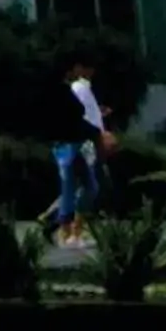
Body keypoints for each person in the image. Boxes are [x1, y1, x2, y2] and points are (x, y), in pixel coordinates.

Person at [41, 57, 114, 245]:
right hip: (71, 144)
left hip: (78, 142)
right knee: (73, 188)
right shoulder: (69, 90)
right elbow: (73, 119)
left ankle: (65, 228)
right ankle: (64, 230)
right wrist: (97, 134)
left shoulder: (69, 90)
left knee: (83, 187)